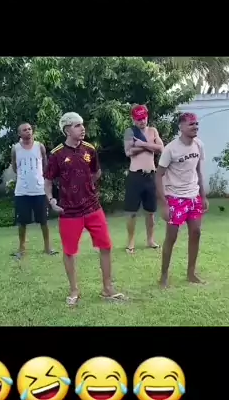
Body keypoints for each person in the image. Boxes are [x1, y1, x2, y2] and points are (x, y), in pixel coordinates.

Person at [44, 112, 125, 307]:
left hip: (92, 207)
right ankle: (74, 290)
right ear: (67, 130)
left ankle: (107, 288)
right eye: (77, 125)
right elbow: (48, 180)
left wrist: (86, 186)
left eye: (82, 125)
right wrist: (52, 200)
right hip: (69, 211)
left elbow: (97, 172)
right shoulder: (56, 154)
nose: (82, 129)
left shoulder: (90, 149)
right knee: (69, 251)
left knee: (106, 246)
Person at [156, 112, 209, 288]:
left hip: (194, 197)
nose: (195, 127)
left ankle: (191, 273)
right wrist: (164, 204)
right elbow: (158, 176)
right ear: (181, 127)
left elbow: (198, 171)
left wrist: (203, 196)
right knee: (171, 237)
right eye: (191, 124)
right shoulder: (170, 149)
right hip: (175, 198)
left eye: (196, 124)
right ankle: (164, 276)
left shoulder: (199, 145)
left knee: (196, 233)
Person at [11, 122, 57, 260]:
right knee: (22, 222)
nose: (28, 131)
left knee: (43, 221)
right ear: (19, 133)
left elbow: (45, 165)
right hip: (22, 191)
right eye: (24, 130)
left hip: (39, 190)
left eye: (29, 129)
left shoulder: (39, 146)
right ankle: (21, 248)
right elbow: (14, 167)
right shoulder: (15, 148)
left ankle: (47, 247)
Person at [123, 104, 164, 253]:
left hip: (150, 176)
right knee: (132, 212)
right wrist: (149, 146)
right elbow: (128, 152)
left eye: (144, 118)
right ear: (133, 119)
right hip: (135, 175)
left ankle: (150, 240)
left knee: (150, 211)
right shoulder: (130, 132)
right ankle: (131, 242)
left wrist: (141, 144)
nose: (142, 121)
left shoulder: (153, 131)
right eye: (139, 119)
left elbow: (161, 148)